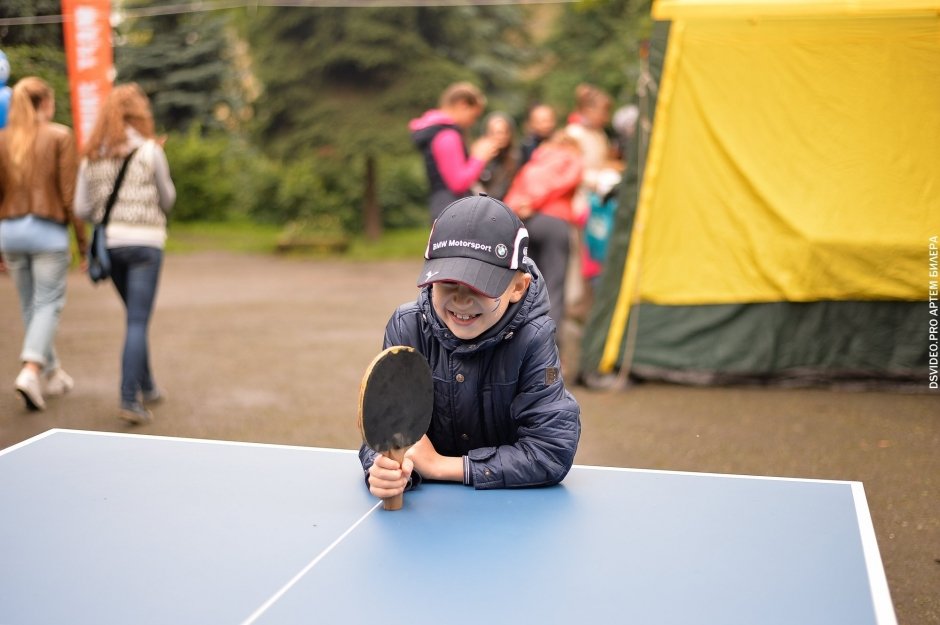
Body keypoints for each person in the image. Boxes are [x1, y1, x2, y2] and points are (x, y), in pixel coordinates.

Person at [359, 194, 581, 496]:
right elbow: (385, 427)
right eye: (448, 282)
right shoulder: (407, 326)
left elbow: (551, 451)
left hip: (509, 517)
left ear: (517, 287)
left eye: (480, 286)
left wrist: (441, 466)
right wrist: (386, 468)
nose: (462, 300)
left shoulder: (534, 338)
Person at [74, 83, 176, 425]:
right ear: (140, 114)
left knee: (134, 318)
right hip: (146, 246)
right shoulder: (150, 151)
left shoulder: (92, 154)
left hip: (112, 248)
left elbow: (80, 207)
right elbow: (168, 199)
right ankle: (129, 398)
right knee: (137, 320)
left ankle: (147, 386)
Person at [0, 77, 86, 411]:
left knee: (29, 305)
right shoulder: (59, 135)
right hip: (47, 234)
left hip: (9, 233)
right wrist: (83, 243)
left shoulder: (3, 140)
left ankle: (52, 373)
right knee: (48, 302)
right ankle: (31, 370)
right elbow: (69, 194)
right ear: (46, 103)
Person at [504, 130, 584, 331]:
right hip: (555, 224)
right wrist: (536, 202)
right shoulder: (572, 157)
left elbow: (513, 195)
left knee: (526, 283)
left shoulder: (534, 163)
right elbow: (564, 183)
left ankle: (521, 336)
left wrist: (521, 206)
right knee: (553, 287)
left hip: (527, 224)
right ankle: (549, 343)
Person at [409, 82, 499, 222]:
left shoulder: (437, 131)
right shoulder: (447, 136)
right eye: (473, 116)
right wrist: (479, 157)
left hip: (441, 206)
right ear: (463, 105)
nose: (473, 122)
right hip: (452, 211)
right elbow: (458, 184)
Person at [477, 111, 520, 200]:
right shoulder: (478, 156)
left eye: (505, 132)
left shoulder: (515, 157)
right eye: (496, 132)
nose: (501, 136)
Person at [519, 103, 557, 168]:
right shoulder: (527, 146)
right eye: (543, 121)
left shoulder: (562, 143)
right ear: (532, 123)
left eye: (549, 120)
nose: (547, 125)